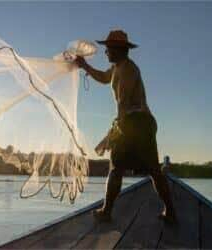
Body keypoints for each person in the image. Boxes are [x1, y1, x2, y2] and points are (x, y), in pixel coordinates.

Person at [75, 30, 176, 223]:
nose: (105, 53)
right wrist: (84, 65)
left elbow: (123, 101)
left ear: (119, 50)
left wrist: (116, 131)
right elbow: (104, 78)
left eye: (108, 49)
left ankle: (107, 211)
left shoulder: (129, 69)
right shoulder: (117, 68)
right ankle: (169, 211)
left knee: (128, 168)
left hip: (137, 122)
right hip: (135, 122)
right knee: (137, 168)